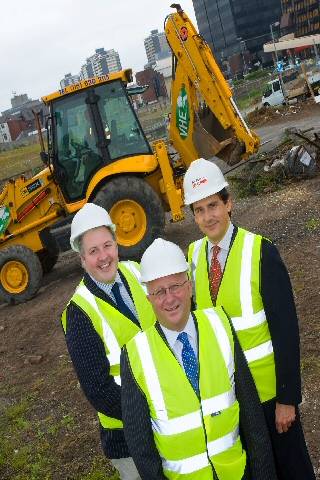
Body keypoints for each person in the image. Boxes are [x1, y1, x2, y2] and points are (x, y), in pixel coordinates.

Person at [184, 158, 315, 480]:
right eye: (199, 210)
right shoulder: (194, 256)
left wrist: (288, 399)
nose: (207, 216)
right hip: (230, 396)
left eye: (213, 205)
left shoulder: (261, 252)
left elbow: (286, 332)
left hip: (268, 394)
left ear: (229, 203)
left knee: (292, 468)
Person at [121, 238, 277, 480]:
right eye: (159, 291)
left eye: (176, 286)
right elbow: (141, 449)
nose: (170, 298)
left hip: (236, 473)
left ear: (190, 286)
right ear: (149, 298)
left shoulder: (220, 325)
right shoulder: (135, 354)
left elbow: (252, 416)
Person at [61, 203, 155, 480]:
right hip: (127, 435)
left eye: (107, 245)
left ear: (117, 244)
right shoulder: (78, 312)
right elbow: (98, 390)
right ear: (81, 259)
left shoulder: (139, 273)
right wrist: (150, 413)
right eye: (93, 251)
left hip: (169, 420)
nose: (104, 257)